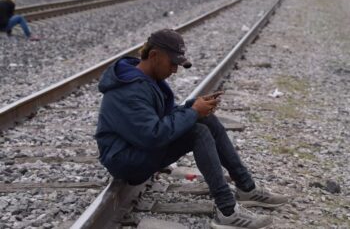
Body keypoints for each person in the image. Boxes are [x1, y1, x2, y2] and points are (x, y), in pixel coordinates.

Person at [95, 29, 288, 229]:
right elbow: (152, 135)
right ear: (154, 56)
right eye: (172, 63)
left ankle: (246, 187)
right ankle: (228, 211)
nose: (175, 70)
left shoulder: (147, 79)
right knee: (198, 132)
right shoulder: (129, 89)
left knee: (207, 120)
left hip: (138, 148)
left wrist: (193, 107)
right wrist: (193, 112)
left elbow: (162, 119)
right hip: (125, 159)